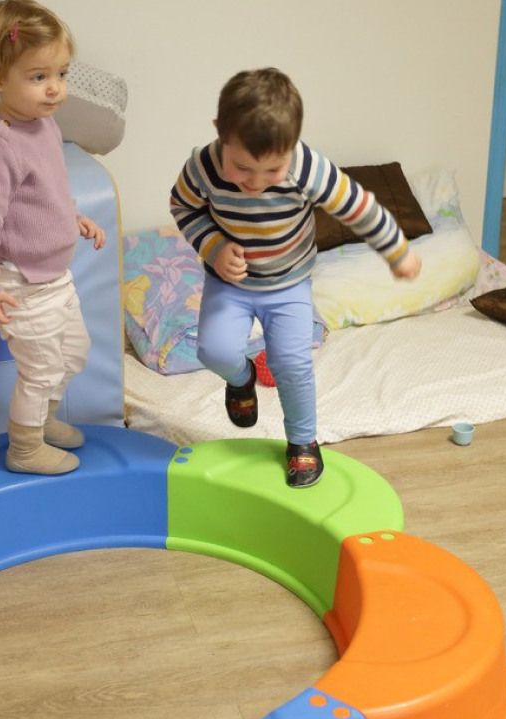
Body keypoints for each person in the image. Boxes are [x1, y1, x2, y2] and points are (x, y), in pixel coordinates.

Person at [170, 68, 421, 488]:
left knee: (292, 363)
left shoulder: (306, 167)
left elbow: (358, 207)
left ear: (291, 146)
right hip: (230, 282)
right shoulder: (203, 166)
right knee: (213, 351)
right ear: (220, 134)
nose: (254, 183)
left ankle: (303, 442)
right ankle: (241, 378)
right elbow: (183, 208)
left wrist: (396, 249)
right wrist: (212, 246)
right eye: (243, 168)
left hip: (288, 284)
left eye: (271, 171)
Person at [0, 0, 105, 475]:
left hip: (55, 275)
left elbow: (47, 190)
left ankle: (41, 422)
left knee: (73, 353)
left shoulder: (43, 124)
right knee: (40, 368)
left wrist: (74, 218)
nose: (55, 89)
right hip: (20, 281)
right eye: (38, 77)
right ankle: (24, 449)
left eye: (61, 73)